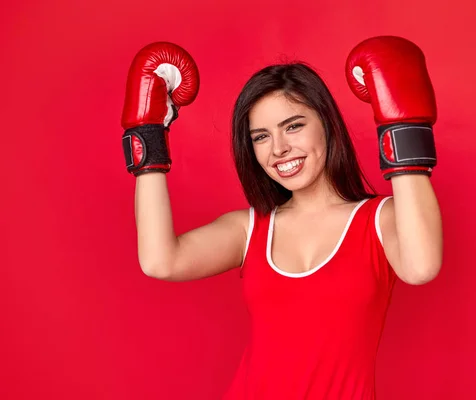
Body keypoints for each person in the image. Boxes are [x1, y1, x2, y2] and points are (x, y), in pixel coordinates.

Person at [121, 36, 443, 399]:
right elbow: (160, 261)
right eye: (261, 136)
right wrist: (146, 134)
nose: (278, 149)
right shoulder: (250, 228)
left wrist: (404, 128)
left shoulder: (381, 219)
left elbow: (420, 267)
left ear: (327, 124)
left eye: (293, 126)